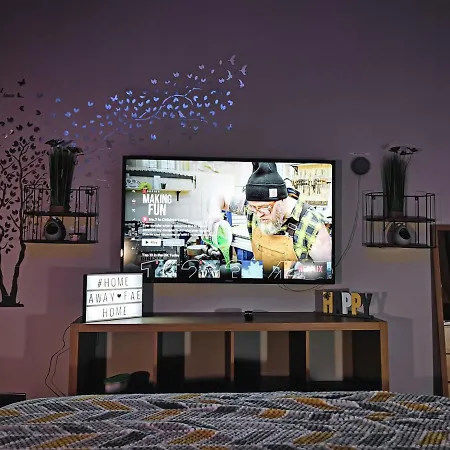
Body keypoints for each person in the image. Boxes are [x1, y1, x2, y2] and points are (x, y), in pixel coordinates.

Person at [207, 161, 332, 273]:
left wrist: (296, 271)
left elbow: (326, 271)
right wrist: (214, 214)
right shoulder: (253, 208)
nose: (258, 214)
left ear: (281, 201)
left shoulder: (312, 226)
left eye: (264, 208)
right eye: (253, 208)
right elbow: (219, 198)